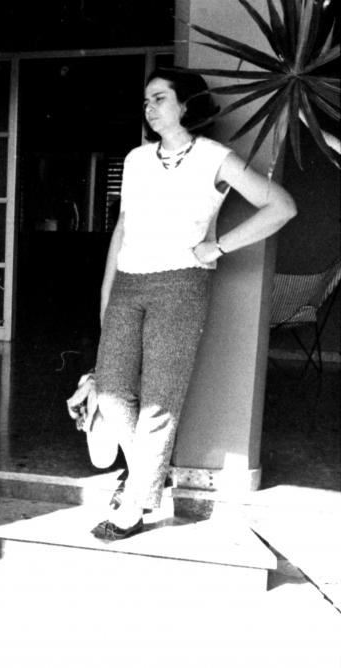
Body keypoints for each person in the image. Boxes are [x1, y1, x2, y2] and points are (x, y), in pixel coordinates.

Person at [92, 68, 296, 541]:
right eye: (145, 101)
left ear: (186, 106)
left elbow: (281, 207)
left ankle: (133, 509)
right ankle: (150, 474)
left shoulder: (214, 158)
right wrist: (107, 294)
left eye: (159, 98)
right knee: (110, 390)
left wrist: (217, 247)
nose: (149, 107)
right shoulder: (137, 159)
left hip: (182, 284)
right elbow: (123, 228)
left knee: (160, 400)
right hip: (129, 280)